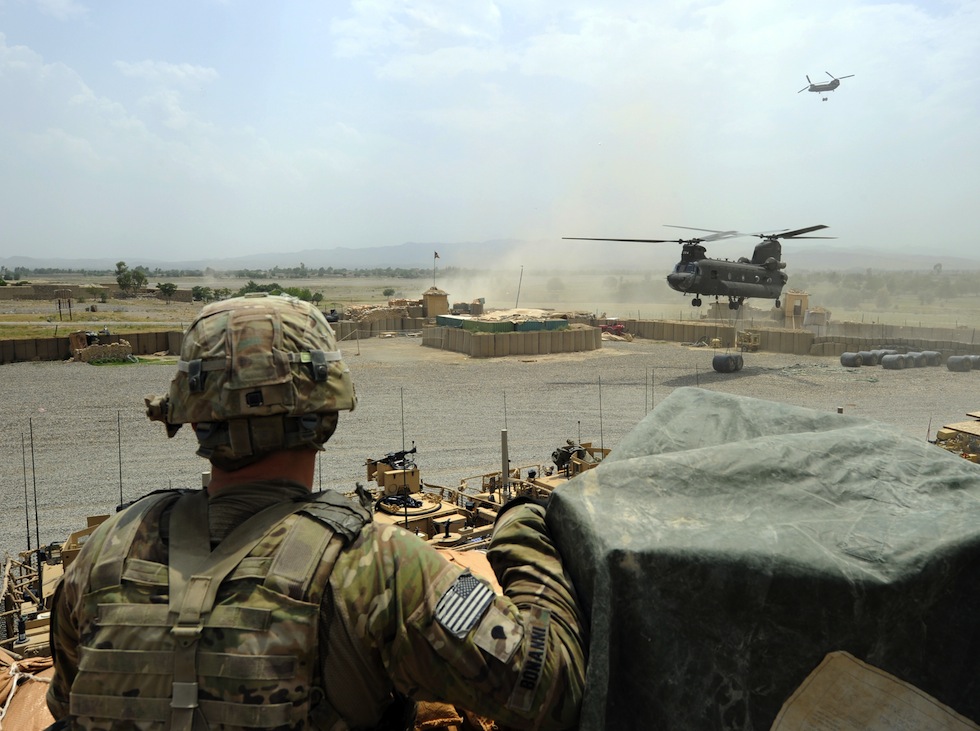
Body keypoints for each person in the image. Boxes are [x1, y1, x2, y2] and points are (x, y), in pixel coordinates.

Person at [46, 292, 587, 730]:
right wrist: (521, 529)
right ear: (326, 414)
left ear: (191, 418)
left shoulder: (107, 550)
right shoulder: (377, 568)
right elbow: (549, 690)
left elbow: (68, 704)